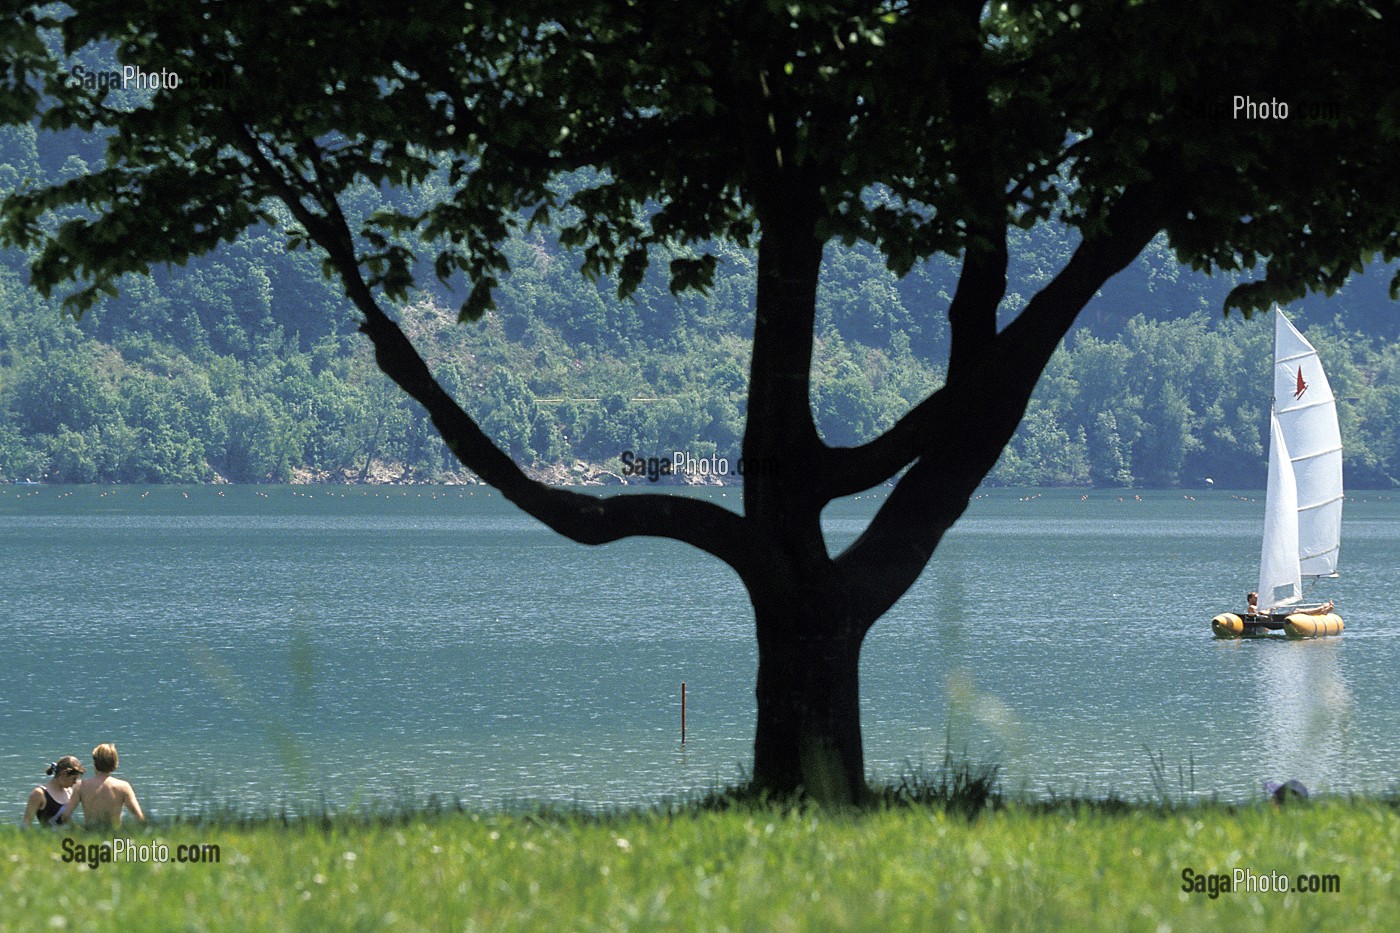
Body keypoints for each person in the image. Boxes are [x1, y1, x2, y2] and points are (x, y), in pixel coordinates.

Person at [55, 743, 145, 828]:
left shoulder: (81, 786)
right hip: (114, 835)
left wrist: (80, 831)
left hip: (90, 836)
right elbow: (139, 817)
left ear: (95, 763)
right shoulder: (123, 786)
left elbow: (65, 816)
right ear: (115, 763)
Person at [21, 756, 83, 827]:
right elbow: (26, 823)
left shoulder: (70, 791)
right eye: (74, 779)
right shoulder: (39, 794)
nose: (75, 783)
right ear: (63, 773)